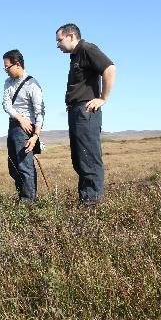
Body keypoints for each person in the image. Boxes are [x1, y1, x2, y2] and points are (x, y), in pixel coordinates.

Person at [55, 23, 116, 206]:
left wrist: (103, 98)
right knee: (80, 158)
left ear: (71, 36)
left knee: (88, 157)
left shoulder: (87, 49)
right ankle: (86, 200)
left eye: (59, 40)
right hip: (76, 111)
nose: (57, 44)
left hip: (86, 111)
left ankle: (91, 205)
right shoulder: (76, 56)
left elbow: (110, 68)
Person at [2, 49, 45, 203]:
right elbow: (6, 104)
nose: (6, 71)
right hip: (14, 125)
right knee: (13, 167)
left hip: (26, 130)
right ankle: (23, 197)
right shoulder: (8, 83)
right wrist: (19, 118)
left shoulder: (32, 84)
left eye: (7, 67)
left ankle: (28, 202)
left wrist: (35, 137)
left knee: (24, 166)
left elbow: (40, 112)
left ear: (18, 64)